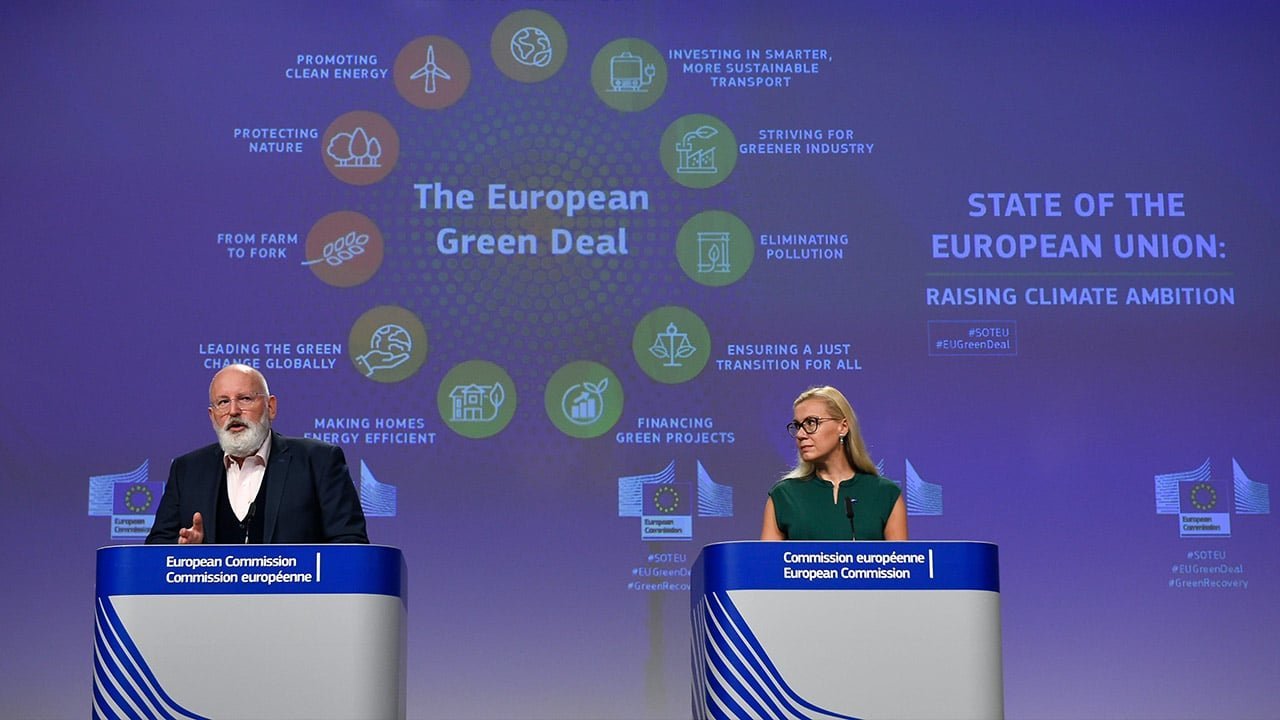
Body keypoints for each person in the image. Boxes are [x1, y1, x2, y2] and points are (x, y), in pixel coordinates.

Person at [146, 364, 368, 544]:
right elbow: (156, 546)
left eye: (245, 398)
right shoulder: (187, 470)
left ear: (271, 407)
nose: (233, 411)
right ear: (212, 416)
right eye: (223, 402)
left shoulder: (318, 461)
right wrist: (184, 551)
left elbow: (350, 543)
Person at [761, 385, 907, 541]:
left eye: (811, 423)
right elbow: (767, 557)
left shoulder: (886, 494)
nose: (800, 434)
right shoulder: (784, 496)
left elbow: (900, 557)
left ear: (843, 427)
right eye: (797, 426)